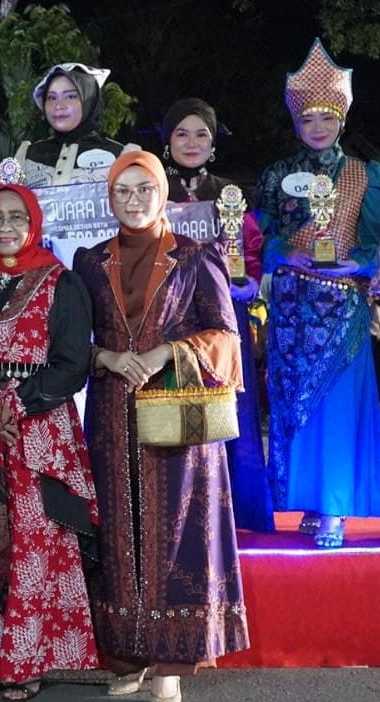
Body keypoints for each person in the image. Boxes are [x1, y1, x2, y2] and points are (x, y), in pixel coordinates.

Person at [73, 151, 248, 702]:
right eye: (122, 191)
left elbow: (225, 336)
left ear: (162, 193)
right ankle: (130, 655)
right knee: (118, 530)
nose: (133, 200)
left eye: (144, 189)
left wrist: (165, 351)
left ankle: (172, 662)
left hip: (178, 416)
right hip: (110, 416)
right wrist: (104, 356)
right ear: (109, 197)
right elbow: (71, 340)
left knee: (176, 530)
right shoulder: (89, 260)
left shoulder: (195, 257)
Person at [0, 183, 99, 702]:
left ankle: (26, 660)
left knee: (35, 546)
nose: (6, 226)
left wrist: (9, 406)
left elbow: (71, 366)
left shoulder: (62, 282)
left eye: (17, 216)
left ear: (34, 223)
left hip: (37, 435)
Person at [257, 38, 380, 548]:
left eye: (326, 118)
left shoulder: (364, 174)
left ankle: (335, 509)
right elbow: (258, 236)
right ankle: (309, 501)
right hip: (292, 309)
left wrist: (362, 263)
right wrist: (283, 253)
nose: (317, 127)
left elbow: (378, 242)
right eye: (308, 118)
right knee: (295, 404)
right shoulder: (275, 174)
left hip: (342, 307)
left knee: (335, 407)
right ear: (296, 123)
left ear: (341, 119)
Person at [160, 98, 274, 532]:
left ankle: (238, 512)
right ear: (168, 141)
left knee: (231, 406)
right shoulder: (154, 190)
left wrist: (251, 280)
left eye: (201, 134)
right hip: (170, 319)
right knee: (174, 405)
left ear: (213, 143)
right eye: (181, 133)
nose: (192, 143)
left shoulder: (230, 193)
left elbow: (251, 248)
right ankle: (176, 512)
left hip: (223, 317)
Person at [13, 63, 130, 187]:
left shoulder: (121, 156)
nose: (59, 106)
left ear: (89, 101)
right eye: (51, 98)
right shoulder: (26, 156)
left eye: (71, 96)